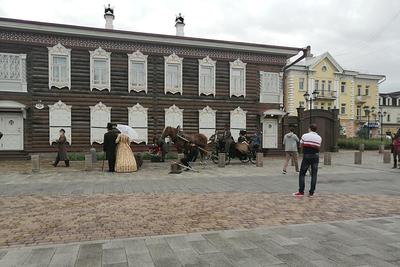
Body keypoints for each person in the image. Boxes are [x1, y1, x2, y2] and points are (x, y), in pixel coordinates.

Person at [293, 124, 322, 197]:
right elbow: (318, 147)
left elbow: (300, 145)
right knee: (314, 174)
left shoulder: (305, 136)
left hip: (307, 156)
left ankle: (301, 191)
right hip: (315, 156)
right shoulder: (319, 137)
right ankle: (311, 192)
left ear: (309, 129)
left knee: (302, 174)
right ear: (316, 129)